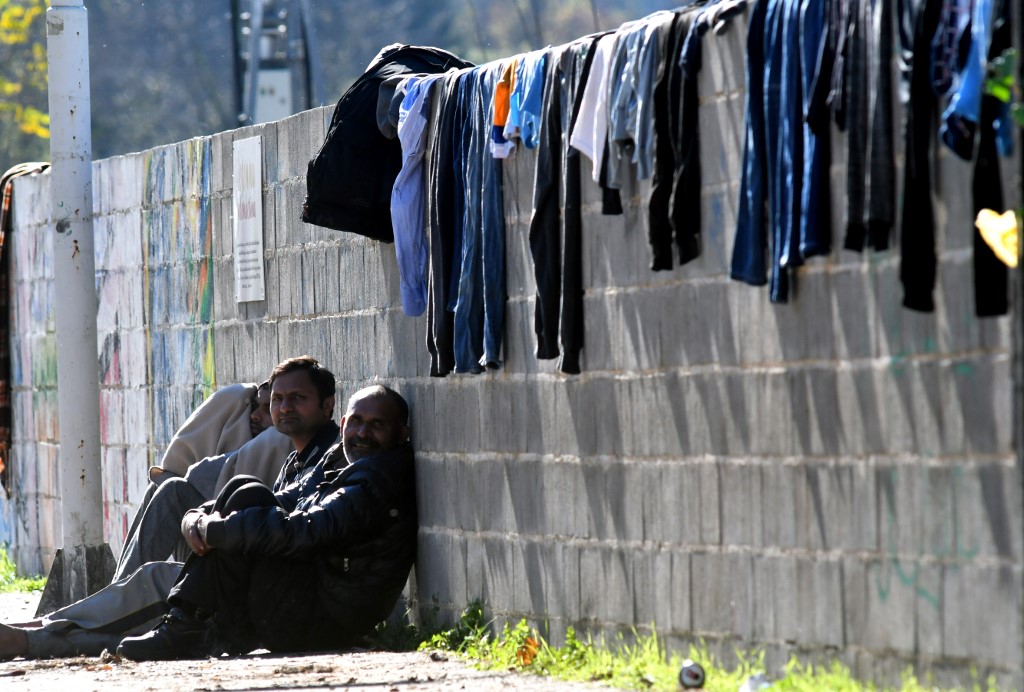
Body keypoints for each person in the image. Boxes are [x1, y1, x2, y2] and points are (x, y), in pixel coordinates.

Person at [0, 356, 342, 659]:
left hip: (271, 599)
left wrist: (210, 526)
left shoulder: (329, 456)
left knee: (152, 594)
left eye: (298, 399)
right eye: (277, 400)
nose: (283, 408)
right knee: (149, 602)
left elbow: (287, 519)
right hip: (252, 584)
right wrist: (202, 517)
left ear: (327, 406)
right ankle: (33, 638)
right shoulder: (298, 457)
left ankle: (33, 637)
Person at [116, 383, 415, 660]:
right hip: (314, 595)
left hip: (329, 619)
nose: (363, 433)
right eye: (358, 422)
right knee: (244, 489)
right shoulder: (338, 458)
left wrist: (217, 529)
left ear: (401, 434)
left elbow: (305, 531)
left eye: (377, 425)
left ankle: (188, 628)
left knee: (246, 504)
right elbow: (285, 498)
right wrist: (199, 517)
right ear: (345, 424)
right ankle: (189, 625)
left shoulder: (377, 478)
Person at [113, 380, 294, 581]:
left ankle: (116, 602)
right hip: (216, 541)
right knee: (157, 489)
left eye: (266, 410)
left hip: (245, 559)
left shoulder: (283, 440)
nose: (253, 415)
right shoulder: (258, 438)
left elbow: (199, 474)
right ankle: (116, 590)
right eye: (254, 406)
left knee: (174, 490)